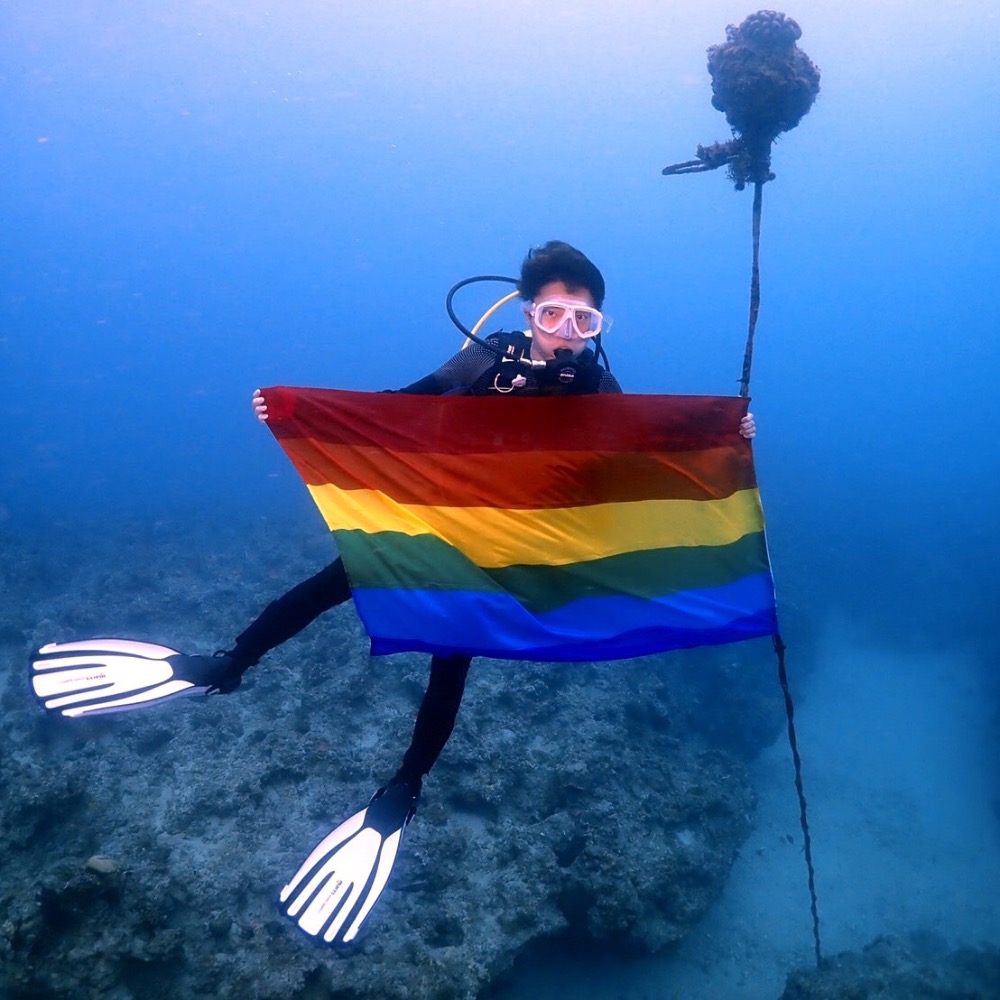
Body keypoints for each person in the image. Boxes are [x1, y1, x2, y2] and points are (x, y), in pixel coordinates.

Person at [30, 241, 755, 947]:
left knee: (454, 658)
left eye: (584, 322)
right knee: (330, 583)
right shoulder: (488, 357)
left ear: (598, 329)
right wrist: (303, 414)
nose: (566, 335)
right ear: (528, 313)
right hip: (437, 522)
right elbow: (406, 403)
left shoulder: (599, 388)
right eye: (553, 315)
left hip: (514, 550)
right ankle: (226, 664)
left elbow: (647, 454)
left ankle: (405, 787)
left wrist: (724, 435)